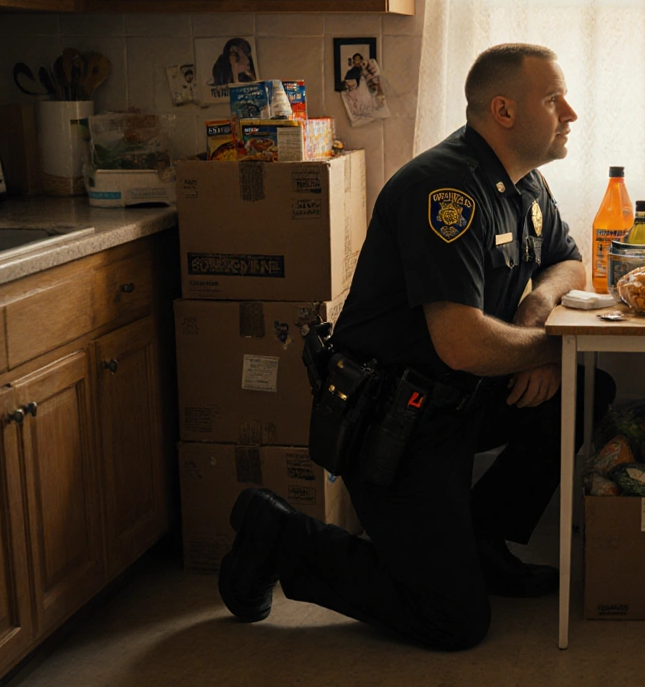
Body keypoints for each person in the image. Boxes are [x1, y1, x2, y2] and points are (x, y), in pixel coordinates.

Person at [217, 43, 615, 651]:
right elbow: (460, 344)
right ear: (504, 111)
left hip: (459, 398)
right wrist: (549, 350)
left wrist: (538, 315)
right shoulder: (446, 190)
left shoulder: (524, 183)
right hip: (394, 422)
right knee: (453, 622)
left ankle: (478, 542)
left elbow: (567, 261)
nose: (571, 113)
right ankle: (280, 534)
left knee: (588, 387)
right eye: (553, 99)